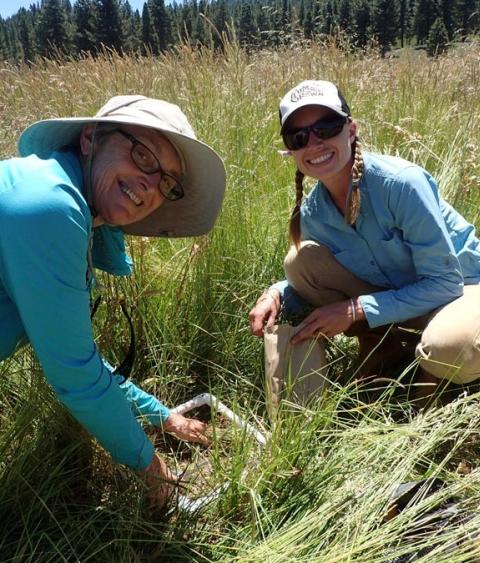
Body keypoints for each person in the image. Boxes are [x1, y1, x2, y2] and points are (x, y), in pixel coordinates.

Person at [0, 95, 226, 506]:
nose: (151, 185)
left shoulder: (57, 192)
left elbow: (75, 354)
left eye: (167, 183)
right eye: (142, 155)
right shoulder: (51, 206)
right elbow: (76, 375)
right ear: (91, 139)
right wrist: (151, 467)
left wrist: (162, 416)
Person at [249, 79, 480, 402]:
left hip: (462, 289)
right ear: (291, 150)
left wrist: (355, 309)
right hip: (403, 295)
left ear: (351, 129)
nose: (314, 143)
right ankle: (382, 349)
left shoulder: (401, 184)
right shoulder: (315, 212)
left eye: (327, 128)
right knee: (299, 262)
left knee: (450, 347)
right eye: (299, 137)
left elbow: (444, 284)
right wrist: (274, 294)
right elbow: (311, 278)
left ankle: (429, 386)